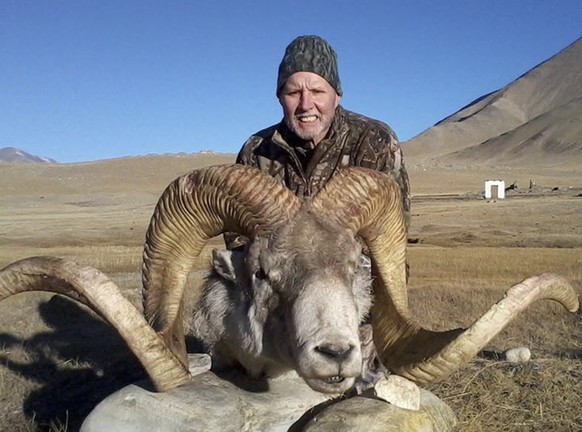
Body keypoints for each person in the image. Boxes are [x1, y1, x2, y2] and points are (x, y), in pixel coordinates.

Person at [225, 34, 410, 251]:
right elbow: (239, 238)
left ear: (337, 95)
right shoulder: (256, 151)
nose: (305, 104)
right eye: (293, 92)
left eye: (317, 91)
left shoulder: (374, 140)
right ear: (280, 97)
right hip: (277, 281)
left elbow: (391, 233)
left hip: (353, 279)